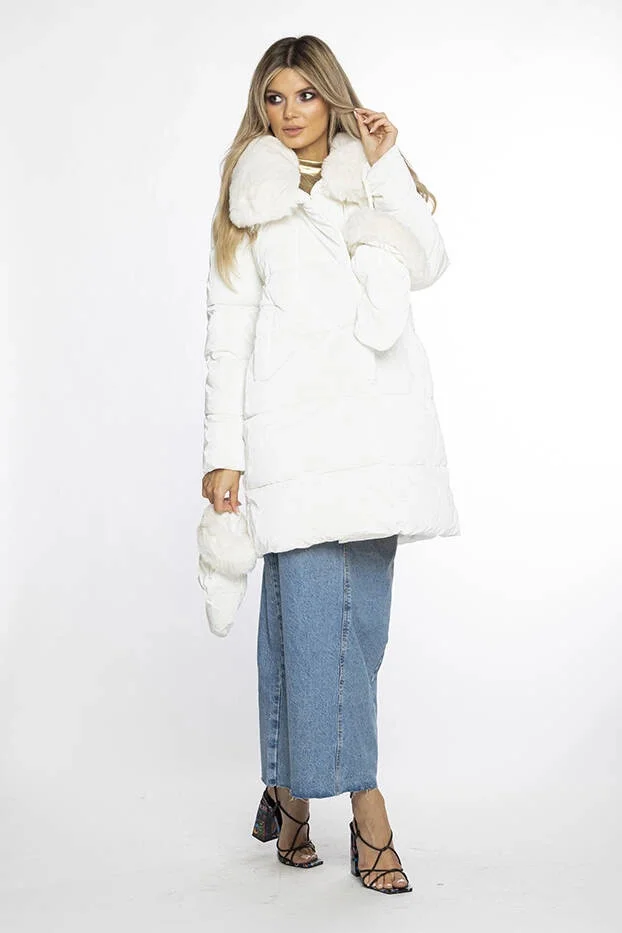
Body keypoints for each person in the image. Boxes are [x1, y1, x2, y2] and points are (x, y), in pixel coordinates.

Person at [200, 34, 460, 894]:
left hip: (379, 434)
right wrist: (222, 454)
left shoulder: (370, 176)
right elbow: (229, 330)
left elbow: (428, 261)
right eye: (274, 98)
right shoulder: (252, 199)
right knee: (322, 621)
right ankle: (367, 808)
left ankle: (287, 789)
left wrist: (386, 165)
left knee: (351, 627)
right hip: (297, 435)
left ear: (333, 99)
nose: (289, 113)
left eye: (305, 95)